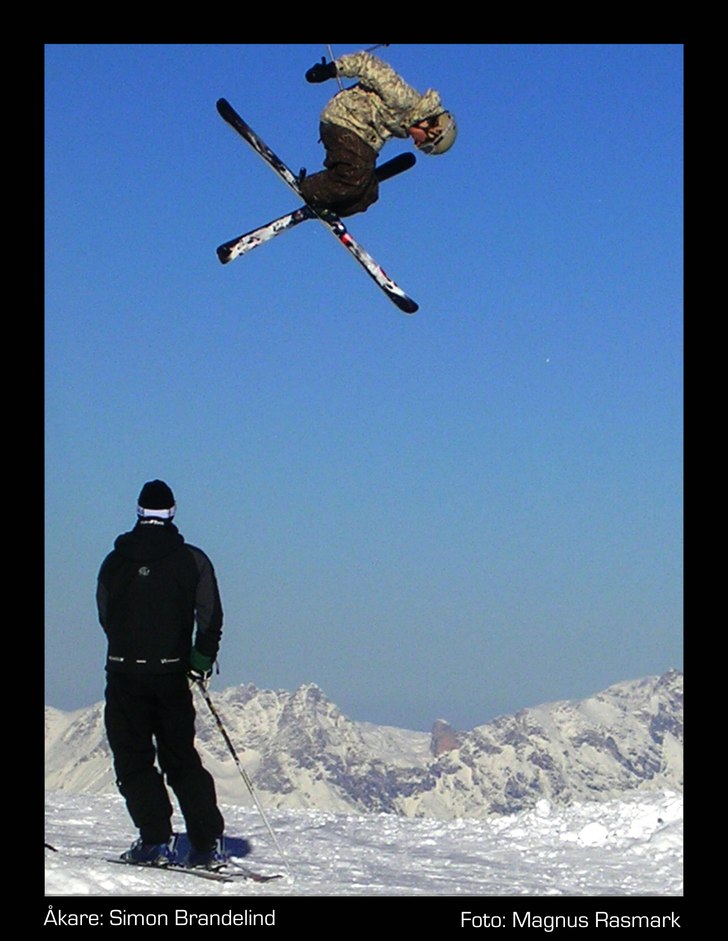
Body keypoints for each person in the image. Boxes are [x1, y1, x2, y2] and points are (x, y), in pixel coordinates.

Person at [96, 479, 231, 869]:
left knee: (133, 758)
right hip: (171, 675)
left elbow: (105, 613)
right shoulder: (192, 560)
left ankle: (154, 840)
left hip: (123, 672)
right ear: (171, 512)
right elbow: (210, 617)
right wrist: (200, 659)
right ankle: (205, 845)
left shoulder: (114, 560)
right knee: (180, 758)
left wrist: (127, 647)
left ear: (139, 511)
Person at [298, 49, 457, 218]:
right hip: (344, 120)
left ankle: (331, 206)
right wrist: (332, 69)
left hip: (361, 138)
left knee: (369, 193)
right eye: (425, 145)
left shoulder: (405, 124)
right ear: (431, 128)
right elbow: (367, 63)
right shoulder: (403, 99)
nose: (417, 144)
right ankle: (310, 188)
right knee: (356, 172)